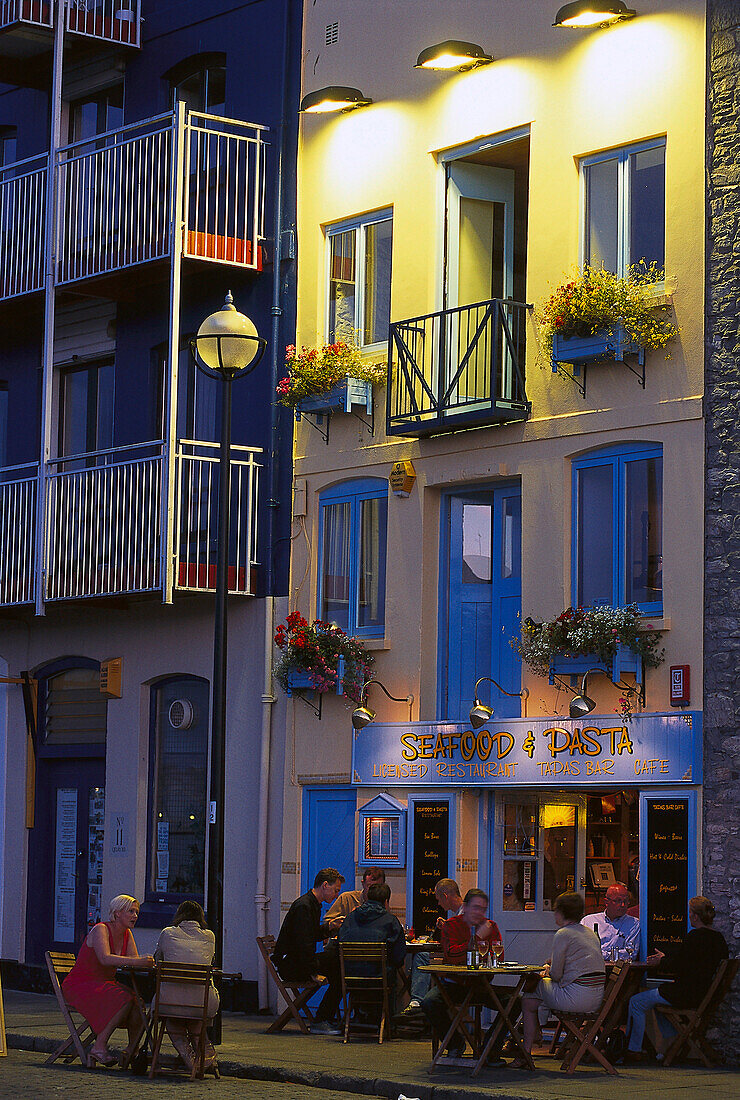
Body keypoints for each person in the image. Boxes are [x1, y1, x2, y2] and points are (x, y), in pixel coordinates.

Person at [624, 895, 729, 1063]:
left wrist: (660, 961)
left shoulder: (695, 937)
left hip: (685, 994)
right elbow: (689, 961)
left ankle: (634, 1050)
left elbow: (679, 964)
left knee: (636, 1002)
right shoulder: (719, 939)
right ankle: (671, 1044)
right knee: (656, 1004)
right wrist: (666, 959)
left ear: (695, 916)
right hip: (703, 994)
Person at [62, 893, 154, 1067]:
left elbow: (133, 962)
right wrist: (138, 960)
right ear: (117, 913)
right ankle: (99, 1046)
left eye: (136, 912)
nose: (135, 915)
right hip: (81, 985)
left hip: (104, 984)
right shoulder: (100, 929)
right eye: (131, 911)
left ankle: (132, 1050)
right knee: (125, 999)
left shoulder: (127, 934)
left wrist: (149, 962)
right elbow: (105, 958)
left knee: (138, 1003)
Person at [516, 891, 605, 1067]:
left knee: (531, 990)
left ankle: (526, 1050)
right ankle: (536, 1030)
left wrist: (547, 969)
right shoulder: (589, 933)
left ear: (561, 912)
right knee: (537, 995)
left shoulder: (563, 933)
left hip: (575, 999)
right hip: (595, 999)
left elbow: (556, 975)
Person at [421, 888, 504, 1060]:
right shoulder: (451, 926)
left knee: (516, 1002)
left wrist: (476, 950)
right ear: (465, 907)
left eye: (482, 909)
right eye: (475, 908)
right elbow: (450, 956)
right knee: (429, 1002)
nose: (479, 913)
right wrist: (473, 941)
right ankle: (454, 1043)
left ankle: (488, 1048)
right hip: (454, 985)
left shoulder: (491, 926)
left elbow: (498, 956)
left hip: (482, 986)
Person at [273, 867, 345, 1035]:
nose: (336, 895)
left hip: (296, 961)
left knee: (339, 969)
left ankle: (323, 1018)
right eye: (335, 890)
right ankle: (321, 1020)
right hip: (292, 965)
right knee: (340, 969)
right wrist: (313, 972)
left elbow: (308, 936)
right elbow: (303, 944)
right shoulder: (304, 906)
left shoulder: (310, 904)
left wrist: (330, 926)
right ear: (325, 885)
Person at [153, 900, 219, 1073]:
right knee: (195, 1017)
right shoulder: (210, 936)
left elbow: (157, 959)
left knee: (171, 1017)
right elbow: (211, 961)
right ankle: (203, 1049)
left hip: (169, 1002)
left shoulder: (167, 933)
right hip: (202, 1003)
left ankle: (187, 1055)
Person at [400, 877, 464, 1018]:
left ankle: (417, 1001)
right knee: (423, 956)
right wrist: (447, 925)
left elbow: (458, 940)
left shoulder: (462, 915)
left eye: (439, 899)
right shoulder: (461, 913)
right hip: (458, 960)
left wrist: (448, 927)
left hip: (459, 966)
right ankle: (418, 1002)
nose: (439, 904)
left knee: (422, 957)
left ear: (445, 896)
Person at [583, 882, 640, 960]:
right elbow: (583, 950)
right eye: (618, 901)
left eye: (626, 901)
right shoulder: (588, 921)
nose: (623, 905)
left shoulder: (633, 923)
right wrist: (614, 954)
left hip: (619, 969)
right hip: (591, 967)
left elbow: (630, 954)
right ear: (606, 902)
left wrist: (601, 955)